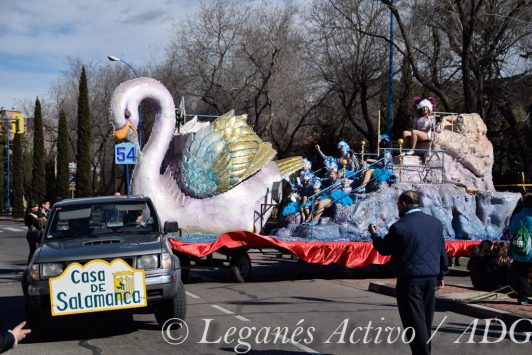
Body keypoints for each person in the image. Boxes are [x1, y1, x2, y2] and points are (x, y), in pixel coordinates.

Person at [368, 191, 448, 355]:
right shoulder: (435, 223)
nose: (397, 207)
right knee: (425, 321)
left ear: (404, 203)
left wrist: (374, 235)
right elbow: (442, 252)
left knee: (414, 323)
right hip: (430, 279)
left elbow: (384, 249)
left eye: (398, 204)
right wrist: (441, 275)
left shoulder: (400, 226)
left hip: (409, 281)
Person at [508, 193, 532, 305]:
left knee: (521, 273)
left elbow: (511, 230)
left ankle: (522, 298)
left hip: (519, 249)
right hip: (530, 250)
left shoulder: (517, 216)